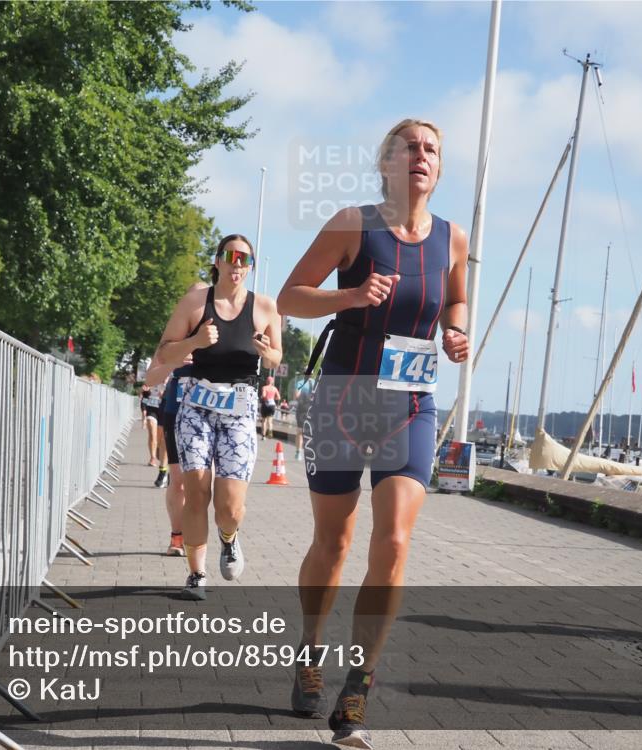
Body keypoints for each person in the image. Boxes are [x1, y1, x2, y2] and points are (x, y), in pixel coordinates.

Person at [277, 119, 469, 749]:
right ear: (386, 162)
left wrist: (456, 331)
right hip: (342, 401)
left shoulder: (453, 238)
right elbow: (290, 298)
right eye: (409, 146)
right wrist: (353, 295)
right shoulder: (352, 225)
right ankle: (309, 649)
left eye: (431, 149)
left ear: (439, 168)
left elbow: (457, 300)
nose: (421, 155)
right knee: (332, 544)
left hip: (410, 405)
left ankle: (359, 682)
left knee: (393, 541)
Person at [157, 235, 282, 600]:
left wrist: (267, 353)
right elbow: (164, 353)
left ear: (251, 266)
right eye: (231, 256)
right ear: (218, 261)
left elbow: (276, 358)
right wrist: (194, 342)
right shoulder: (196, 302)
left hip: (239, 411)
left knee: (229, 507)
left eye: (245, 259)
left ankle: (229, 537)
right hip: (196, 407)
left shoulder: (265, 307)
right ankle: (197, 573)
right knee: (196, 492)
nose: (237, 264)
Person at [143, 281, 212, 555]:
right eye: (194, 300)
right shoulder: (175, 337)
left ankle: (213, 532)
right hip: (176, 410)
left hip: (211, 415)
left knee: (207, 480)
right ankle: (177, 536)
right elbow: (150, 378)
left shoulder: (218, 332)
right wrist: (174, 362)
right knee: (179, 479)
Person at [141, 382, 165, 465]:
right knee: (152, 434)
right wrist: (144, 409)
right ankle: (153, 458)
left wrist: (165, 395)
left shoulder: (171, 378)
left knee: (160, 437)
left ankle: (158, 447)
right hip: (151, 410)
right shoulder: (152, 379)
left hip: (164, 409)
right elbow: (144, 397)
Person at [293, 376, 314, 460]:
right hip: (312, 409)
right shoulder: (315, 382)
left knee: (300, 431)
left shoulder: (300, 383)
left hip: (302, 409)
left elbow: (296, 396)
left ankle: (298, 453)